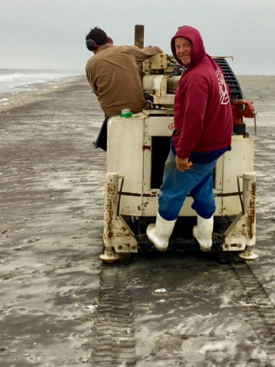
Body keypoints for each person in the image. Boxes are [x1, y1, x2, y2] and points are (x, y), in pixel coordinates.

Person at [146, 25, 233, 253]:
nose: (182, 50)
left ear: (197, 44)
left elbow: (194, 122)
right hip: (217, 145)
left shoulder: (195, 77)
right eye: (177, 46)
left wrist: (183, 154)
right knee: (203, 186)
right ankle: (204, 237)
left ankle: (161, 237)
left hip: (199, 147)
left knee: (172, 190)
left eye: (186, 45)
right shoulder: (211, 65)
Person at [85, 27, 163, 150]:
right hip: (136, 108)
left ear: (91, 45)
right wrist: (156, 49)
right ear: (109, 40)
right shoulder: (126, 50)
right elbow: (147, 52)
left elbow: (96, 91)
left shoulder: (90, 64)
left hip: (111, 112)